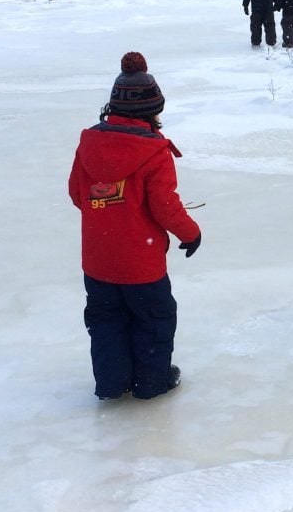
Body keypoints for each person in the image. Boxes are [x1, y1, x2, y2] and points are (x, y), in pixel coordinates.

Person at [68, 52, 202, 400]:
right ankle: (151, 381)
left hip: (99, 261)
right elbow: (164, 206)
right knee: (153, 320)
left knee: (106, 321)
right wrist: (190, 232)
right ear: (152, 111)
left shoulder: (89, 144)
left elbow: (77, 195)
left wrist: (107, 207)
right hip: (142, 264)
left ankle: (112, 383)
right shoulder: (154, 151)